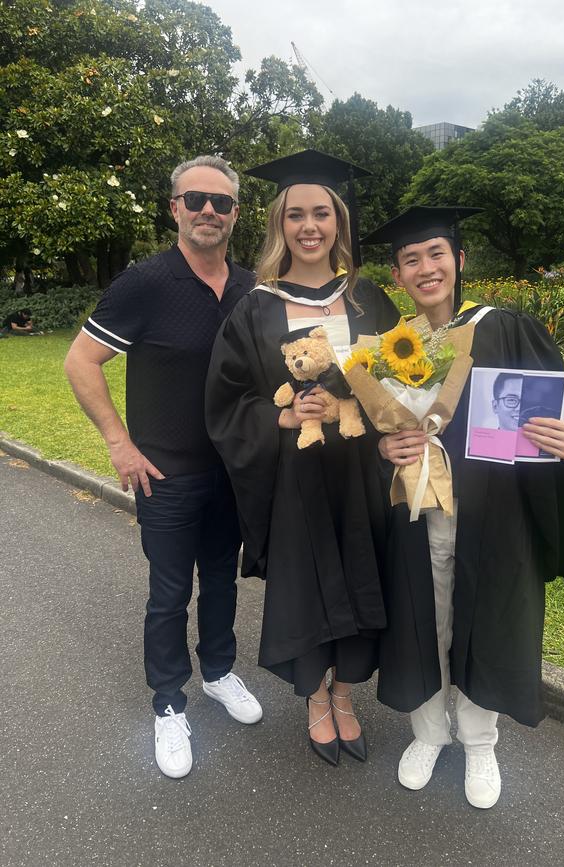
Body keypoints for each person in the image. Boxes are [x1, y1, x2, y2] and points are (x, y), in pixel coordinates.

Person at [361, 206, 564, 808]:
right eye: (411, 259)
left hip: (495, 518)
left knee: (486, 623)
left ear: (459, 261)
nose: (425, 267)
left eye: (436, 253)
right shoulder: (391, 350)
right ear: (398, 274)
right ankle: (429, 733)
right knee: (425, 625)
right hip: (419, 516)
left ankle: (480, 742)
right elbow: (370, 435)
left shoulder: (506, 328)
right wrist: (384, 444)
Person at [64, 155, 262, 780]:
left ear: (235, 214)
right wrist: (119, 444)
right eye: (196, 199)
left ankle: (221, 671)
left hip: (232, 471)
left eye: (222, 202)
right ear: (174, 207)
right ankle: (169, 701)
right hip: (166, 474)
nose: (209, 210)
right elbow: (80, 362)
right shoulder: (144, 283)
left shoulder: (250, 289)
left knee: (222, 582)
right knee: (170, 593)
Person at [205, 150, 400, 766]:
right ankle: (317, 696)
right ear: (279, 224)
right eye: (296, 215)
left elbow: (402, 381)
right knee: (307, 585)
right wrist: (284, 416)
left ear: (339, 221)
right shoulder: (256, 307)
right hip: (294, 475)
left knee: (366, 575)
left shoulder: (368, 299)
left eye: (321, 213)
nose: (309, 226)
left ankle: (347, 694)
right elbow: (225, 399)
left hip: (364, 473)